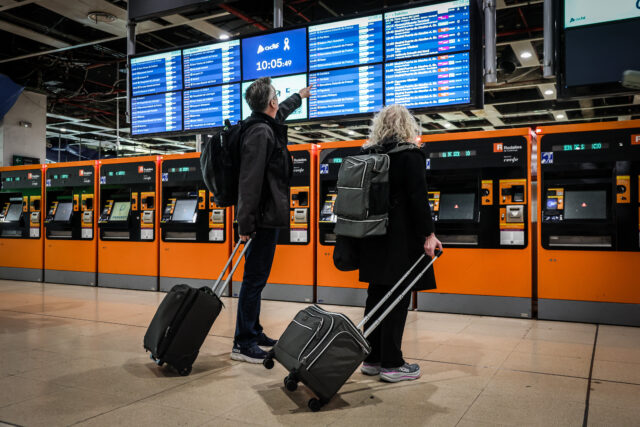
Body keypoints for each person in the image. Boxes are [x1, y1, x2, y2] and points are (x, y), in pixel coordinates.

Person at [357, 104, 443, 382]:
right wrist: (429, 234)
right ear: (407, 125)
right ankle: (392, 365)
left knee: (375, 295)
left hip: (371, 237)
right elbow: (419, 198)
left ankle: (371, 359)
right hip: (400, 240)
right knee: (397, 298)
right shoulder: (410, 155)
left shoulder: (369, 154)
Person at [232, 77, 312, 363]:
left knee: (257, 279)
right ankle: (243, 342)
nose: (280, 100)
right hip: (260, 220)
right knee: (253, 280)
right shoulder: (259, 133)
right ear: (271, 102)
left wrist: (299, 96)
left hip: (265, 217)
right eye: (277, 95)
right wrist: (245, 225)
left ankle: (253, 331)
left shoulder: (264, 124)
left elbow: (282, 112)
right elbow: (249, 182)